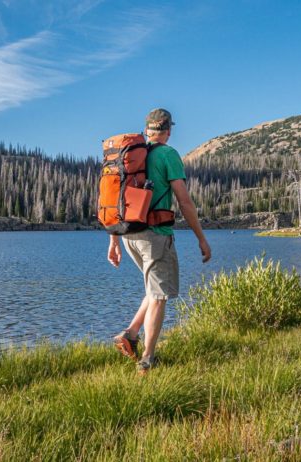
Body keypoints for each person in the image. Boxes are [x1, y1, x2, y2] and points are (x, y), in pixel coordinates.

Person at [107, 108, 211, 375]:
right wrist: (201, 238)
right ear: (169, 130)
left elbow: (117, 199)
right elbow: (184, 201)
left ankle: (130, 334)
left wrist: (114, 241)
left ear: (148, 130)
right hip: (155, 236)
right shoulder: (168, 154)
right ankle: (147, 359)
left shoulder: (128, 155)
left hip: (129, 234)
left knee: (154, 291)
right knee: (159, 296)